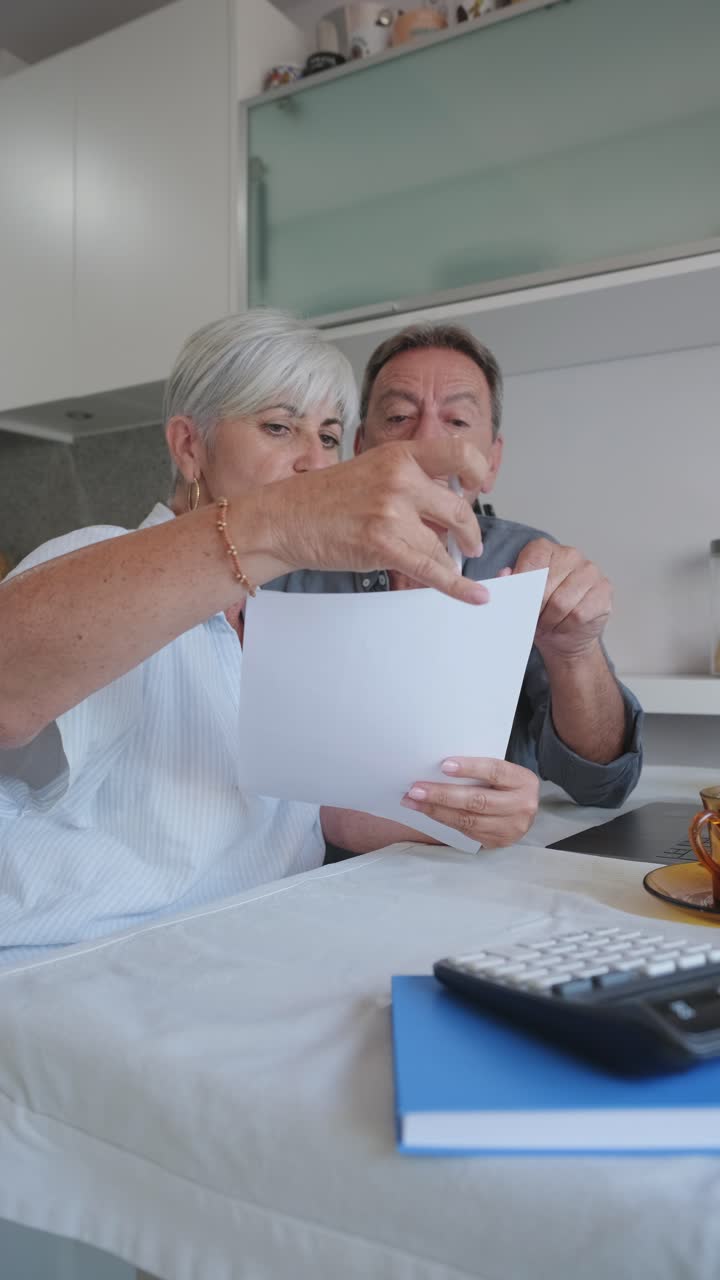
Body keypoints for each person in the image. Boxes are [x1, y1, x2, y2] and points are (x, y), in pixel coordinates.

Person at [0, 310, 537, 959]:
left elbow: (315, 813)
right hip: (62, 971)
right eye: (279, 427)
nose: (315, 464)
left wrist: (471, 813)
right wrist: (276, 525)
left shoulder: (278, 616)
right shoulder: (102, 558)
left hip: (240, 957)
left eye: (331, 436)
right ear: (189, 446)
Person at [270, 322, 642, 854]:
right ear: (359, 450)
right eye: (399, 418)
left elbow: (601, 784)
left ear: (490, 461)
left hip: (482, 877)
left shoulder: (525, 560)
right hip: (311, 873)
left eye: (458, 420)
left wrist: (575, 652)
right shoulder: (287, 568)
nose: (426, 442)